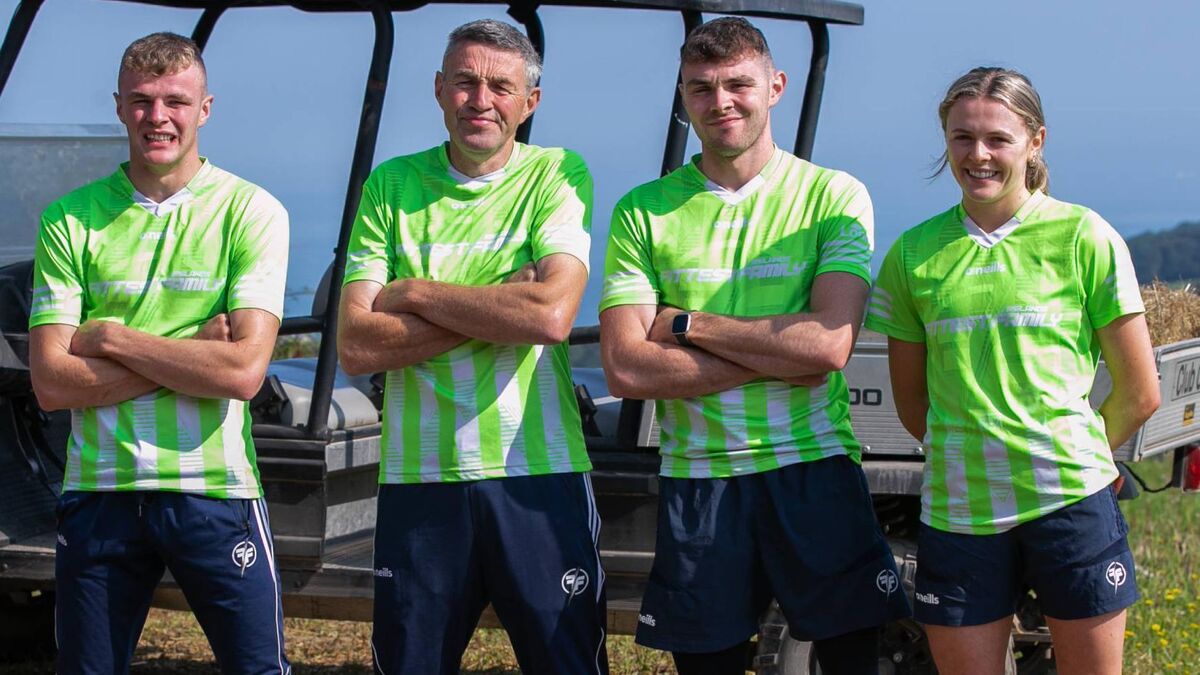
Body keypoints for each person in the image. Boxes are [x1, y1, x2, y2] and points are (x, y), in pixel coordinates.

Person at [599, 17, 910, 675]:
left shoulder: (832, 195)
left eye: (738, 84)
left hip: (813, 466)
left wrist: (686, 324)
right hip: (699, 477)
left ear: (776, 86)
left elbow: (826, 348)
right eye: (701, 88)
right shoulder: (642, 210)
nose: (721, 102)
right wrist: (778, 355)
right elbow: (626, 367)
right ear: (682, 96)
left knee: (852, 662)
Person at [865, 67, 1159, 675]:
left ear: (1035, 141)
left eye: (998, 138)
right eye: (962, 137)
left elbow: (1140, 392)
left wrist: (1081, 456)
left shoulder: (1083, 236)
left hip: (1070, 503)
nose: (978, 155)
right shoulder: (912, 254)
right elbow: (914, 406)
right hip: (959, 512)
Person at [336, 19, 606, 675]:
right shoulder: (392, 185)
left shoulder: (556, 172)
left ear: (529, 102)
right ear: (438, 89)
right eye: (464, 82)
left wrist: (414, 293)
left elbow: (550, 315)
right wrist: (500, 302)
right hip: (421, 479)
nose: (480, 100)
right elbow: (357, 344)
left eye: (500, 86)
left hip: (536, 474)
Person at [28, 32, 290, 674]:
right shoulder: (70, 218)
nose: (158, 117)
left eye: (176, 101)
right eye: (142, 101)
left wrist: (113, 339)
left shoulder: (251, 211)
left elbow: (242, 372)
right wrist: (191, 353)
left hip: (214, 489)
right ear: (119, 106)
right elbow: (53, 384)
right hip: (100, 490)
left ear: (205, 109)